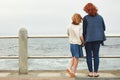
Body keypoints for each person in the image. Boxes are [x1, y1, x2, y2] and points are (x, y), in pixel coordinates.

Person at [83, 3, 106, 77]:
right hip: (98, 39)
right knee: (96, 55)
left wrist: (83, 40)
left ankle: (90, 72)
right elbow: (104, 28)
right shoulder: (100, 17)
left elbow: (84, 31)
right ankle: (95, 73)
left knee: (89, 56)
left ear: (87, 10)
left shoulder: (85, 18)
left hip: (88, 39)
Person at [66, 13, 84, 78]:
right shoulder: (79, 26)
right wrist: (83, 42)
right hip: (77, 44)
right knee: (76, 58)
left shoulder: (69, 26)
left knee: (73, 57)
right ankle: (74, 72)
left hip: (72, 44)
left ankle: (69, 68)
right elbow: (81, 36)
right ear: (78, 19)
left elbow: (68, 34)